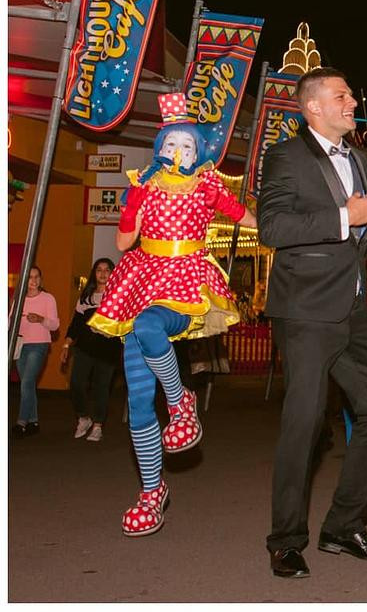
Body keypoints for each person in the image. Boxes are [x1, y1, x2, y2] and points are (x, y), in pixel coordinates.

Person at [258, 67, 367, 579]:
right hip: (304, 311)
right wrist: (343, 217)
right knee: (304, 424)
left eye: (350, 94)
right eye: (341, 95)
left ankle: (343, 527)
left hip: (352, 310)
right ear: (313, 107)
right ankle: (285, 541)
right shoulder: (286, 156)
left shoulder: (359, 160)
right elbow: (272, 227)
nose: (352, 102)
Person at [90, 93, 256, 536]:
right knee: (139, 401)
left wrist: (305, 227)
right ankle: (152, 492)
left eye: (186, 145)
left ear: (198, 152)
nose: (177, 152)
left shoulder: (207, 185)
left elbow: (249, 219)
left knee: (149, 324)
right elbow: (123, 243)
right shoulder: (144, 184)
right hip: (141, 278)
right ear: (159, 148)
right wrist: (133, 201)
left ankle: (181, 400)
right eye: (170, 144)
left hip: (185, 280)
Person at [61, 258, 119, 442]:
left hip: (108, 349)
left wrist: (112, 329)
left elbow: (126, 323)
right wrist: (66, 345)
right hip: (85, 348)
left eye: (107, 270)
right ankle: (83, 418)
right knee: (76, 383)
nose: (103, 273)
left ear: (113, 273)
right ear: (94, 273)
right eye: (99, 270)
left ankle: (98, 425)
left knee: (101, 387)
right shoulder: (86, 296)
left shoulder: (118, 296)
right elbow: (76, 324)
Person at [12, 265, 59, 438]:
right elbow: (10, 322)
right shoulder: (18, 298)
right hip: (20, 344)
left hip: (39, 345)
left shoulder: (48, 298)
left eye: (36, 276)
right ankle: (34, 421)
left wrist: (40, 319)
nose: (33, 280)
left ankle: (21, 422)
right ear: (24, 280)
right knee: (28, 384)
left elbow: (55, 325)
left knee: (26, 382)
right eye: (30, 277)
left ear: (41, 279)